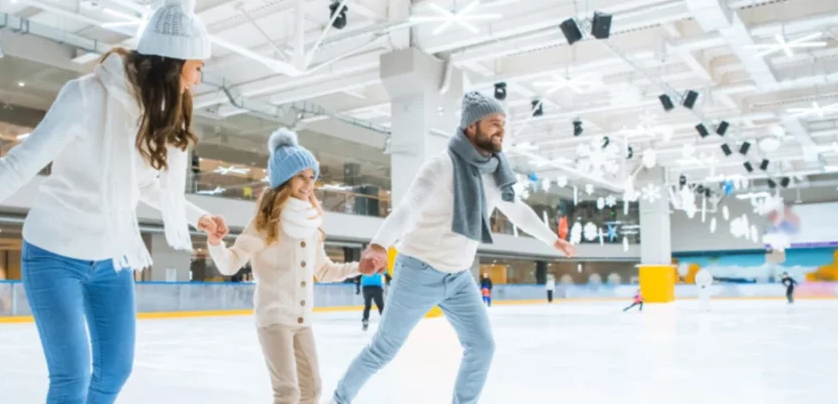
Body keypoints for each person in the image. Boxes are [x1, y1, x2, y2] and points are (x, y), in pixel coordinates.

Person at [0, 0, 227, 403]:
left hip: (112, 257)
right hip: (53, 255)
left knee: (115, 371)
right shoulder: (85, 96)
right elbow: (21, 162)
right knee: (71, 377)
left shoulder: (151, 116)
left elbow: (145, 185)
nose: (198, 80)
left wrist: (198, 217)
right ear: (172, 64)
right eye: (197, 67)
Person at [328, 92, 575, 404]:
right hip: (417, 271)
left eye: (503, 124)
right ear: (471, 127)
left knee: (482, 346)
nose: (501, 129)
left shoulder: (495, 171)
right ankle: (338, 400)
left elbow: (518, 211)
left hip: (458, 277)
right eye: (494, 123)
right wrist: (379, 245)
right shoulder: (441, 167)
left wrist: (553, 239)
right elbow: (408, 209)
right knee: (383, 348)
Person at [207, 128, 365, 404]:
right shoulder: (264, 224)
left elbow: (324, 270)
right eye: (301, 177)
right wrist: (215, 242)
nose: (309, 184)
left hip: (302, 321)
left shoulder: (311, 224)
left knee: (313, 389)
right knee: (287, 393)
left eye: (312, 177)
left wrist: (359, 267)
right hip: (273, 319)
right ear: (284, 180)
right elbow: (230, 264)